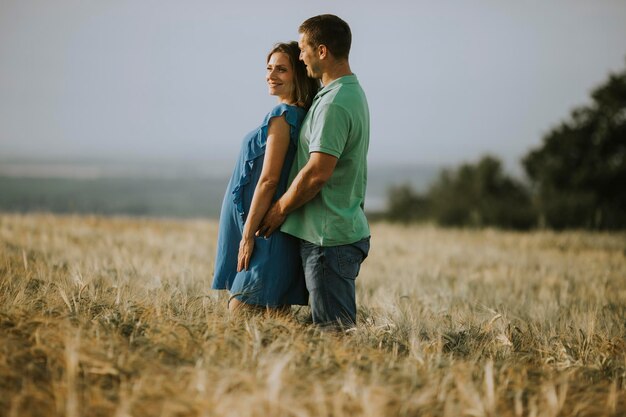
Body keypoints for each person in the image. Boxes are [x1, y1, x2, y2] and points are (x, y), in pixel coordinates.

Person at [257, 15, 371, 329]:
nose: (300, 56)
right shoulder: (348, 92)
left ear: (322, 51)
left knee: (333, 337)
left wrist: (279, 209)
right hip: (334, 233)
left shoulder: (335, 102)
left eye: (304, 48)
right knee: (330, 333)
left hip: (327, 239)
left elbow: (317, 172)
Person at [212, 42, 319, 313]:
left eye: (281, 69)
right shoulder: (301, 116)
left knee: (240, 317)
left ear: (299, 73)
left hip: (263, 235)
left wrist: (247, 236)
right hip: (273, 233)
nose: (271, 75)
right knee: (274, 323)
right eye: (269, 68)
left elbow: (269, 180)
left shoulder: (282, 116)